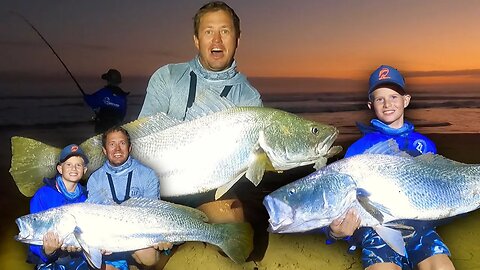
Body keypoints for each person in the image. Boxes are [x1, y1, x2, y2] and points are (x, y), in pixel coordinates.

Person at [137, 1, 262, 224]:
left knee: (232, 230)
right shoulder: (168, 77)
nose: (217, 40)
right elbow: (142, 137)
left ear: (237, 40)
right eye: (208, 32)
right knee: (149, 259)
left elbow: (249, 167)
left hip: (210, 189)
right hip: (158, 184)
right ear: (196, 40)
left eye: (225, 31)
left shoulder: (249, 99)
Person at [325, 65, 455, 270]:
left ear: (406, 100)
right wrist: (335, 232)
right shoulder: (358, 150)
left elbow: (438, 191)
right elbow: (340, 199)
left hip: (419, 227)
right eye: (379, 98)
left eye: (394, 97)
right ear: (370, 105)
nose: (387, 104)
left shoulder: (425, 145)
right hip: (377, 230)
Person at [87, 126, 172, 270]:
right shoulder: (95, 179)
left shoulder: (148, 175)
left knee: (150, 258)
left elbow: (153, 214)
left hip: (138, 235)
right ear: (104, 150)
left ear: (130, 147)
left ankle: (135, 264)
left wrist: (162, 239)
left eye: (122, 143)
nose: (117, 149)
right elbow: (95, 217)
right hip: (109, 237)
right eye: (112, 144)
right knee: (92, 258)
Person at [27, 144, 89, 270]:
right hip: (48, 261)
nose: (74, 168)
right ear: (60, 168)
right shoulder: (43, 195)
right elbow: (33, 233)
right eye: (69, 164)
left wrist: (81, 248)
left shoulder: (88, 199)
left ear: (85, 170)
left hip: (78, 260)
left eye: (78, 165)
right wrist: (47, 251)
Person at [84, 69, 129, 134]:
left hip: (102, 127)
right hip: (116, 127)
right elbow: (123, 114)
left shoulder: (104, 92)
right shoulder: (122, 96)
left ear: (108, 80)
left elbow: (92, 102)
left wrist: (86, 96)